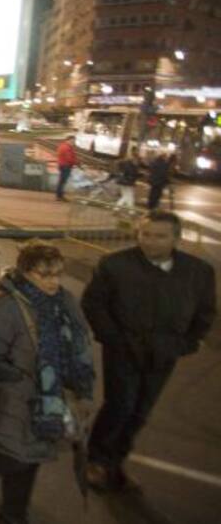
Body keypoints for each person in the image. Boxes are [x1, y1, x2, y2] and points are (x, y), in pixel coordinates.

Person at [0, 241, 95, 524]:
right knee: (19, 455)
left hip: (54, 395)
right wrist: (18, 383)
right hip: (18, 397)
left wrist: (83, 390)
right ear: (25, 272)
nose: (54, 281)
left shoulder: (64, 301)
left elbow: (80, 346)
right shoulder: (4, 306)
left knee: (31, 454)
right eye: (45, 274)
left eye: (58, 274)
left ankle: (11, 515)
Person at [81, 211, 215, 492]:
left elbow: (205, 312)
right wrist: (114, 340)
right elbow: (94, 304)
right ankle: (98, 460)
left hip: (164, 353)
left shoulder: (198, 272)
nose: (150, 241)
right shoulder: (115, 264)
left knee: (141, 411)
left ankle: (116, 461)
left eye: (160, 236)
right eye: (145, 234)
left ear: (177, 238)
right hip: (124, 350)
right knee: (120, 405)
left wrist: (185, 344)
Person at [55, 135, 76, 202]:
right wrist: (76, 162)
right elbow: (69, 158)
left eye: (74, 141)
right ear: (68, 140)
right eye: (72, 141)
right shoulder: (67, 148)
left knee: (61, 181)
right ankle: (59, 196)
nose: (73, 142)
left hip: (62, 165)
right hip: (66, 166)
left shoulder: (62, 146)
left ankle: (59, 196)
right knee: (62, 181)